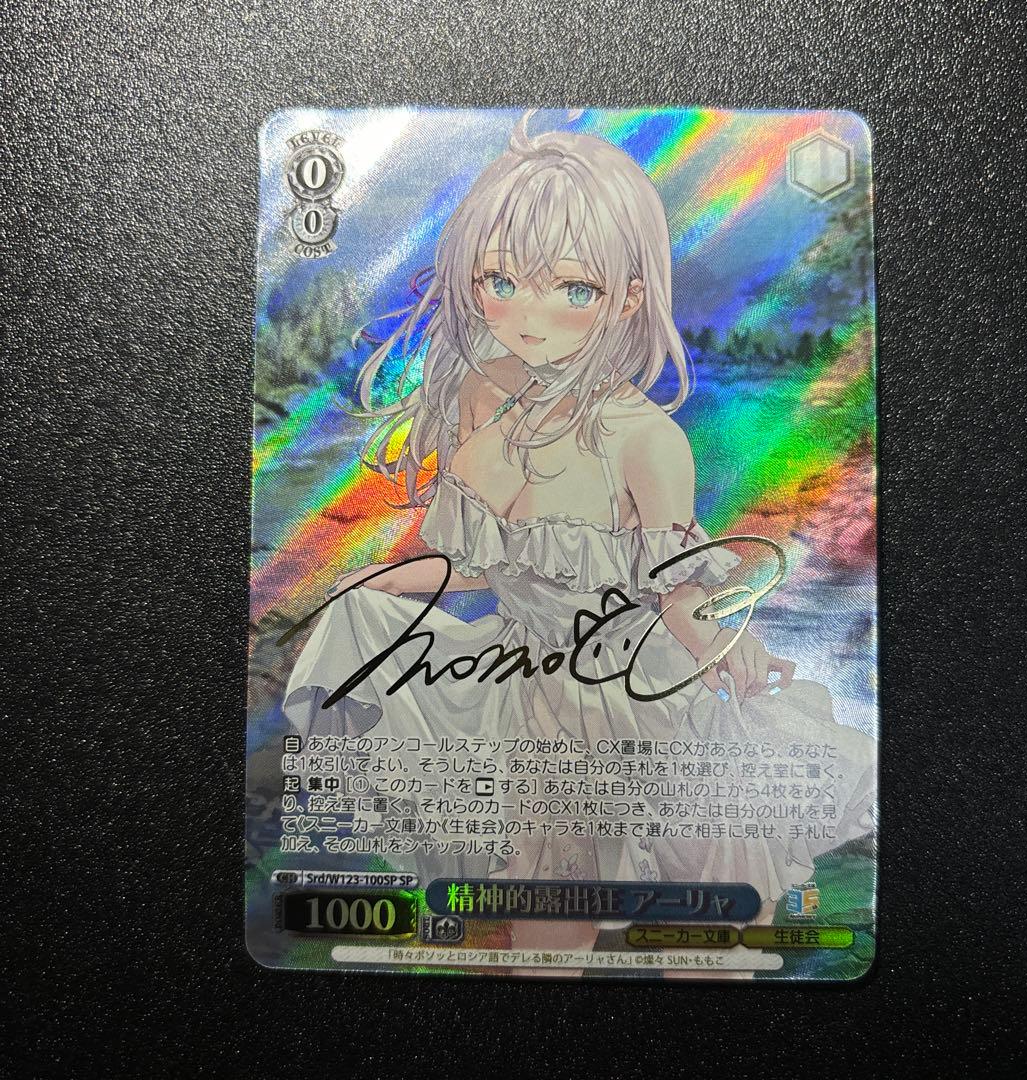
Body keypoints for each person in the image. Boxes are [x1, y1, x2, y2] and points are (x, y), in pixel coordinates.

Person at [282, 113, 875, 958]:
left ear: (625, 297)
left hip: (650, 704)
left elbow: (674, 590)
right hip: (533, 705)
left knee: (711, 935)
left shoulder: (646, 440)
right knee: (547, 935)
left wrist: (728, 645)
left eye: (572, 289)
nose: (529, 317)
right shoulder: (480, 409)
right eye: (501, 280)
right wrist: (370, 585)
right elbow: (480, 566)